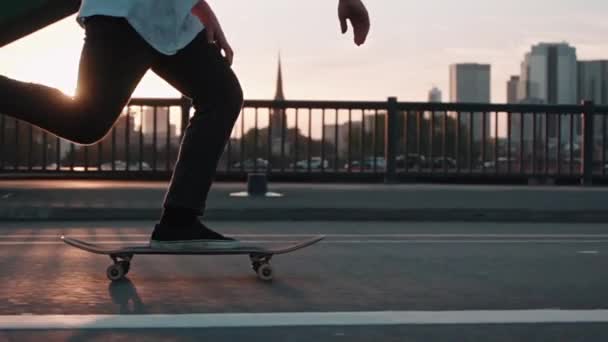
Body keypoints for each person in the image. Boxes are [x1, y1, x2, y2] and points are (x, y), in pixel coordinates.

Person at [0, 0, 370, 249]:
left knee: (222, 95)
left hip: (170, 20)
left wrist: (203, 12)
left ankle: (179, 220)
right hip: (124, 14)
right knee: (86, 122)